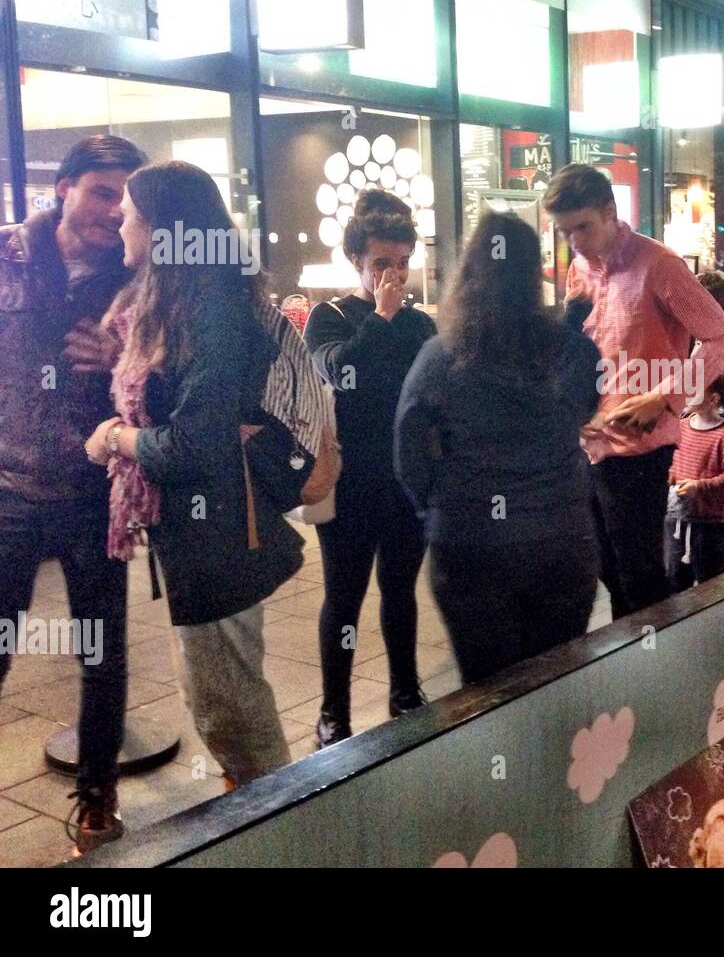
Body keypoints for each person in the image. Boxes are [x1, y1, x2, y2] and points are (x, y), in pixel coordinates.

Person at [86, 161, 300, 793]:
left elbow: (194, 447)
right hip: (200, 535)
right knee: (218, 697)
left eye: (126, 211)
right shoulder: (181, 303)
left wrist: (116, 438)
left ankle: (284, 826)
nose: (116, 221)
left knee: (231, 709)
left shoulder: (207, 313)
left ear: (160, 228)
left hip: (220, 536)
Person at [0, 135, 146, 855]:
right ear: (62, 188)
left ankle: (97, 795)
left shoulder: (136, 275)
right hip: (8, 490)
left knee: (101, 652)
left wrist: (126, 361)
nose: (111, 208)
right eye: (98, 190)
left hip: (96, 493)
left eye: (123, 196)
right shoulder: (8, 256)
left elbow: (161, 381)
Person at [394, 213, 601, 683]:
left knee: (486, 692)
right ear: (536, 273)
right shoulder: (574, 352)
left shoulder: (438, 357)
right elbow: (579, 412)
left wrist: (434, 510)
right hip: (561, 538)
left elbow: (407, 453)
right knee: (556, 685)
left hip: (470, 542)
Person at [545, 164, 724, 619]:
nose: (574, 240)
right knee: (606, 569)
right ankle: (629, 665)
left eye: (583, 227)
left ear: (610, 212)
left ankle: (653, 670)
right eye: (565, 231)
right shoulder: (579, 269)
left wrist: (666, 397)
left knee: (640, 577)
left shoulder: (660, 265)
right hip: (586, 443)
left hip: (638, 451)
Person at [302, 190, 435, 748]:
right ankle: (334, 710)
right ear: (357, 261)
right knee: (345, 598)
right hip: (351, 482)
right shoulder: (328, 318)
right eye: (382, 263)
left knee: (400, 591)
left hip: (405, 483)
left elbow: (432, 397)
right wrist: (380, 316)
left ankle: (405, 692)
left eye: (402, 263)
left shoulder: (420, 325)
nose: (394, 274)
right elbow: (340, 373)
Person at [665, 368, 724, 590]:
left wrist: (700, 486)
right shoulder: (682, 425)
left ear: (714, 398)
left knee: (713, 582)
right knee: (676, 579)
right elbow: (674, 460)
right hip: (677, 518)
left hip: (708, 524)